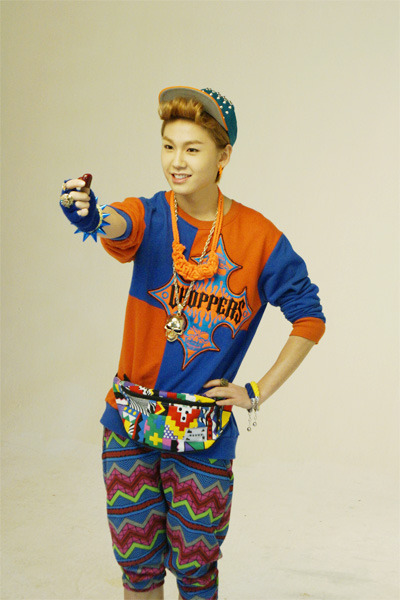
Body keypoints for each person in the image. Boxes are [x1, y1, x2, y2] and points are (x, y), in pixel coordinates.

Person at [59, 86, 325, 600]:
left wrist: (257, 391)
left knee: (197, 575)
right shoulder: (151, 215)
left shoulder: (259, 237)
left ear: (223, 156)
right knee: (138, 570)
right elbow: (115, 221)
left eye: (192, 148)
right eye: (167, 146)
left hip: (202, 435)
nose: (176, 162)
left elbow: (309, 317)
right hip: (130, 426)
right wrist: (90, 215)